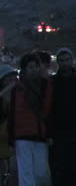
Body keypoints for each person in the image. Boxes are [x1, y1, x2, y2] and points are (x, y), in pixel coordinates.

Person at [9, 53, 52, 186]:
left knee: (41, 174)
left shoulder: (45, 85)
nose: (34, 70)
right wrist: (11, 138)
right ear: (25, 70)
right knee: (26, 174)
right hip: (22, 136)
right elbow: (12, 114)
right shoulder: (17, 89)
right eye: (30, 67)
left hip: (40, 135)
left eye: (35, 66)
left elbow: (49, 110)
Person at [50, 48, 76, 184]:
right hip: (59, 131)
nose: (65, 63)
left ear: (71, 61)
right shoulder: (53, 82)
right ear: (58, 63)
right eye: (62, 61)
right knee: (60, 168)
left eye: (67, 60)